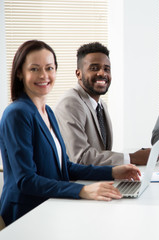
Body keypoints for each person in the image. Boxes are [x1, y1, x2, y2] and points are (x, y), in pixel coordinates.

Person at [0, 40, 141, 226]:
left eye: (49, 68)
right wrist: (82, 191)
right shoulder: (17, 114)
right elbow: (26, 180)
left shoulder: (47, 112)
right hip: (26, 213)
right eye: (34, 69)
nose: (44, 75)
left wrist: (113, 171)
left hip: (52, 205)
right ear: (19, 72)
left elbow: (65, 167)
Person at [55, 42, 149, 166]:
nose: (102, 73)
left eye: (106, 69)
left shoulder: (101, 105)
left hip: (99, 179)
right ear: (79, 74)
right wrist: (132, 158)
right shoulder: (70, 103)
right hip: (78, 183)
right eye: (94, 68)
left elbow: (101, 152)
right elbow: (80, 157)